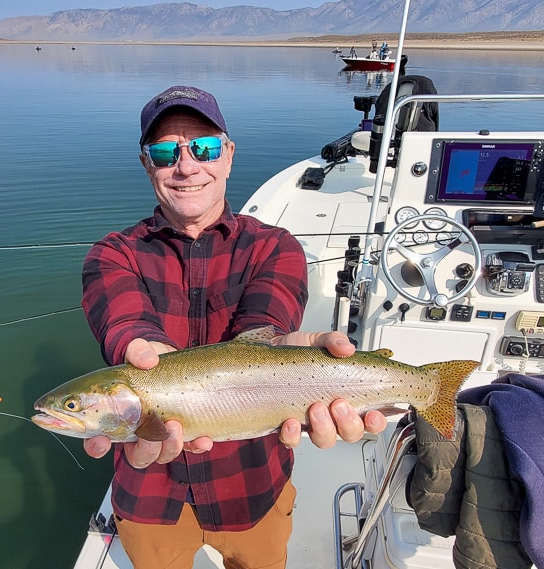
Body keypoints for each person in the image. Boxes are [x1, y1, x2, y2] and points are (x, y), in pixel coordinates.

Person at [80, 85, 386, 569]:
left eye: (203, 147)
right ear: (147, 165)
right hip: (148, 499)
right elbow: (124, 325)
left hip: (252, 487)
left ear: (227, 155)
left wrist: (282, 348)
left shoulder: (275, 247)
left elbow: (266, 325)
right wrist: (141, 348)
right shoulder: (112, 254)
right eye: (165, 152)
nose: (186, 166)